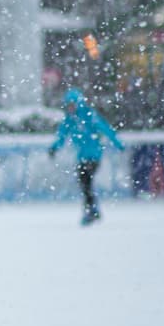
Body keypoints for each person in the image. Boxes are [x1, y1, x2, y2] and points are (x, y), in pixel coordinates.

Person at [48, 88, 124, 226]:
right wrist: (54, 148)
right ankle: (92, 210)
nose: (70, 108)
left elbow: (105, 129)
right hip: (82, 157)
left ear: (78, 103)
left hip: (94, 156)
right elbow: (62, 135)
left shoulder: (89, 115)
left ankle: (92, 210)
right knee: (85, 183)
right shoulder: (70, 119)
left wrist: (118, 144)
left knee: (86, 182)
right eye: (68, 105)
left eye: (72, 104)